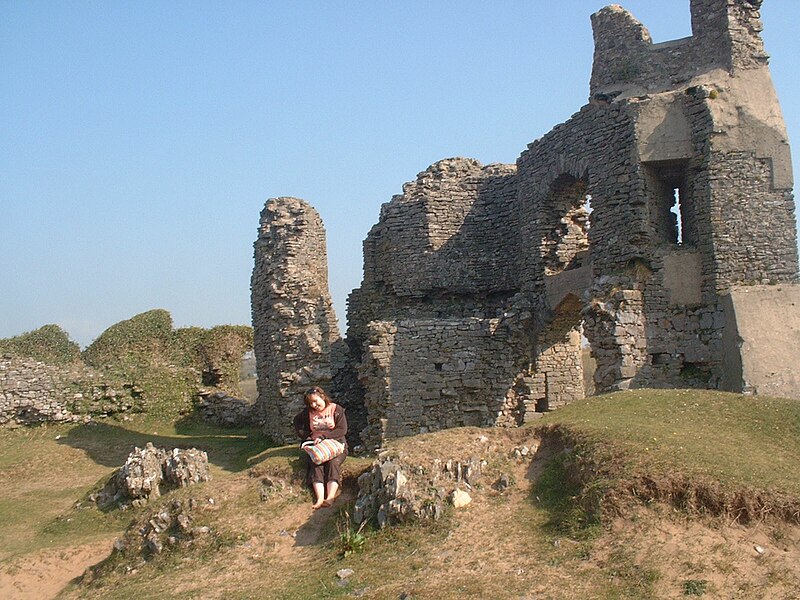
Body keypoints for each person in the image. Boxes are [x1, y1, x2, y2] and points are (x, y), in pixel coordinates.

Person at [293, 386, 348, 509]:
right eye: (310, 403)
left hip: (336, 445)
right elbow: (296, 421)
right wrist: (306, 437)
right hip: (317, 447)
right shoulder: (308, 413)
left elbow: (342, 429)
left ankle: (331, 497)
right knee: (316, 463)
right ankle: (319, 499)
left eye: (315, 401)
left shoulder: (336, 409)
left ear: (322, 397)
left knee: (333, 463)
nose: (314, 405)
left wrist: (324, 436)